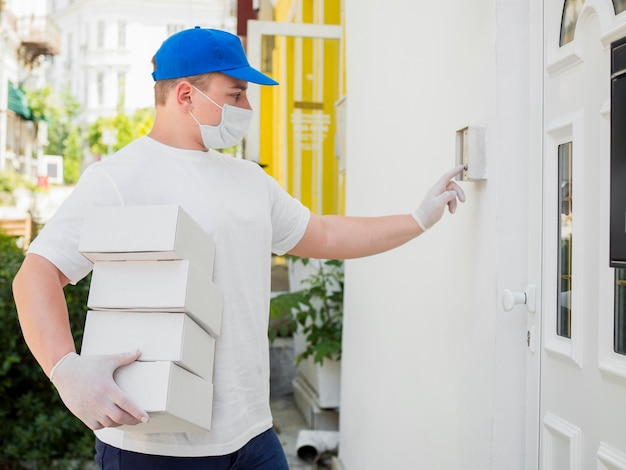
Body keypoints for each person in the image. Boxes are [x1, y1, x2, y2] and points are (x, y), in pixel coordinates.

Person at [12, 26, 465, 469]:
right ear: (186, 95)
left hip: (253, 435)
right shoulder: (118, 178)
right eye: (235, 95)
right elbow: (37, 274)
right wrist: (65, 371)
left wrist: (417, 220)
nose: (247, 107)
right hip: (153, 446)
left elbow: (323, 234)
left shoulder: (249, 180)